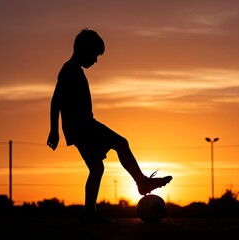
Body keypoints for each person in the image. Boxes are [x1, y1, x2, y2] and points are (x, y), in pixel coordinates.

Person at [46, 28, 172, 224]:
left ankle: (89, 213)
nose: (95, 61)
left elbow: (57, 102)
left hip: (78, 128)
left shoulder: (72, 70)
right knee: (121, 143)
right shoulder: (70, 70)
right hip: (83, 126)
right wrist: (54, 131)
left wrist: (58, 130)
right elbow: (56, 101)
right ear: (84, 50)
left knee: (96, 168)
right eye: (94, 55)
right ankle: (142, 182)